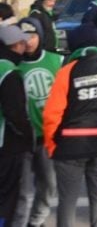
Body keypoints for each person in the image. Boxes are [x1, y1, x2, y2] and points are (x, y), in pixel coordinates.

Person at [43, 22, 97, 227]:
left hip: (69, 145)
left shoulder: (67, 71)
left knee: (67, 200)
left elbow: (52, 113)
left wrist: (51, 144)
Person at [13, 18, 64, 227]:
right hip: (22, 137)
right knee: (22, 189)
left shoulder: (57, 61)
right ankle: (22, 221)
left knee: (48, 184)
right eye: (24, 38)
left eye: (33, 36)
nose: (29, 42)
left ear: (40, 37)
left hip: (48, 136)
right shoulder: (13, 65)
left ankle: (37, 220)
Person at [0, 25, 34, 227]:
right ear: (14, 45)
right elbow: (16, 114)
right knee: (7, 197)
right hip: (7, 145)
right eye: (22, 42)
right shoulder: (9, 73)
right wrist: (28, 136)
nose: (25, 46)